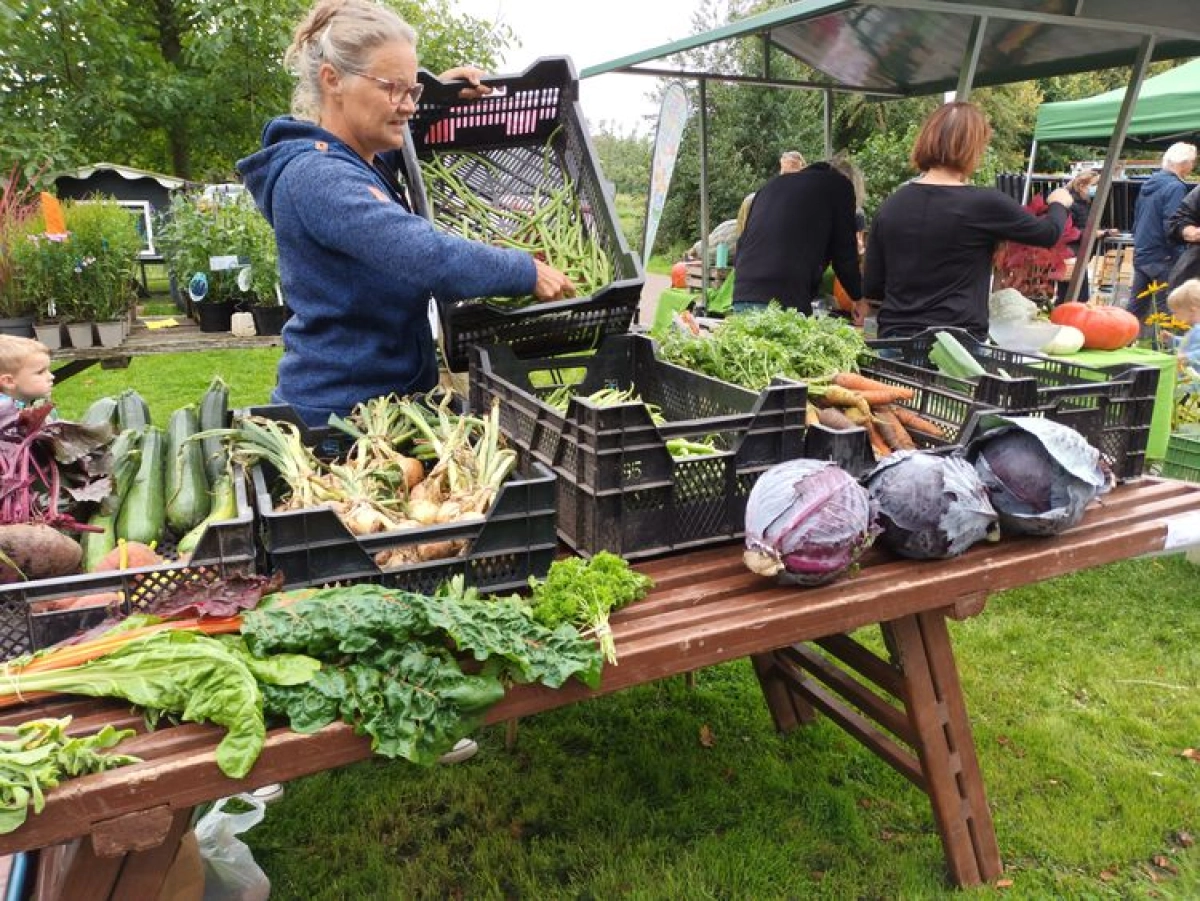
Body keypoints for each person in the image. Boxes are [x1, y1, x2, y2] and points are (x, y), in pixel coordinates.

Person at [236, 0, 575, 429]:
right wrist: (524, 270)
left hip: (390, 403)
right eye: (391, 88)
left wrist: (438, 94)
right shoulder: (317, 176)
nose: (408, 105)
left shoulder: (362, 162)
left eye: (411, 90)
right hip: (338, 419)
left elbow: (400, 151)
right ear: (333, 79)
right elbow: (423, 254)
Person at [860, 101, 1073, 341]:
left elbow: (873, 287)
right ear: (974, 148)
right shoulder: (984, 204)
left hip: (895, 341)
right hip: (957, 348)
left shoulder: (892, 205)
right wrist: (1059, 202)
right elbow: (1048, 233)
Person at [732, 154, 862, 315]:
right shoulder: (841, 186)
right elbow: (844, 254)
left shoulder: (771, 186)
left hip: (743, 291)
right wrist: (859, 298)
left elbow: (742, 243)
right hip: (784, 295)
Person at [1128, 142, 1197, 322]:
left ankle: (1123, 342)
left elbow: (1137, 219)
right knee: (1167, 309)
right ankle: (1163, 348)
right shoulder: (1176, 187)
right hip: (1164, 255)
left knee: (1136, 307)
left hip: (1143, 251)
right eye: (1192, 162)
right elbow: (1173, 225)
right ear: (1183, 162)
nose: (1193, 167)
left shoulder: (1149, 184)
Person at [1054, 167, 1119, 304]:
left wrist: (1103, 232)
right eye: (1094, 185)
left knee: (1074, 294)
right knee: (1075, 295)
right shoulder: (1072, 203)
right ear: (1082, 186)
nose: (1095, 189)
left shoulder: (1083, 202)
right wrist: (1094, 233)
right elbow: (1069, 231)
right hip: (1071, 255)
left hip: (1077, 254)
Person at [736, 150, 806, 237]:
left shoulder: (806, 205)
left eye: (793, 176)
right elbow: (742, 237)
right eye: (785, 174)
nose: (788, 179)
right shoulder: (753, 202)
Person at [0, 335, 54, 411]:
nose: (52, 376)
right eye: (40, 372)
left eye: (48, 370)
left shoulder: (39, 402)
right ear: (9, 381)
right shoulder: (4, 417)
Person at [1167, 277, 1200, 367]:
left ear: (1191, 310)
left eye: (1176, 312)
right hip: (1189, 376)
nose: (1174, 316)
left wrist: (1188, 357)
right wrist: (1173, 339)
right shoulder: (1194, 329)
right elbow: (1189, 343)